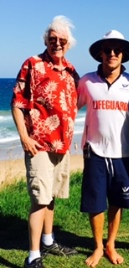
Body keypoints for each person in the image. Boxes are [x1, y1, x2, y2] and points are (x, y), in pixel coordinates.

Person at [11, 15, 80, 268]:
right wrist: (24, 138)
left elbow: (75, 105)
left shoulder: (72, 71)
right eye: (53, 39)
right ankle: (33, 256)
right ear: (46, 41)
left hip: (61, 145)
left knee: (51, 196)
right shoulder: (33, 64)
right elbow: (17, 104)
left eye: (62, 40)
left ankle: (49, 241)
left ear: (68, 43)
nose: (57, 44)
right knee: (39, 198)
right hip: (38, 144)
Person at [77, 30, 129, 267]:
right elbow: (69, 108)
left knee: (117, 201)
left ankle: (111, 243)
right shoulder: (87, 81)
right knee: (95, 202)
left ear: (123, 55)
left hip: (122, 152)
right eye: (108, 50)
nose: (112, 54)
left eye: (117, 50)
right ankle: (98, 246)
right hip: (95, 151)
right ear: (100, 53)